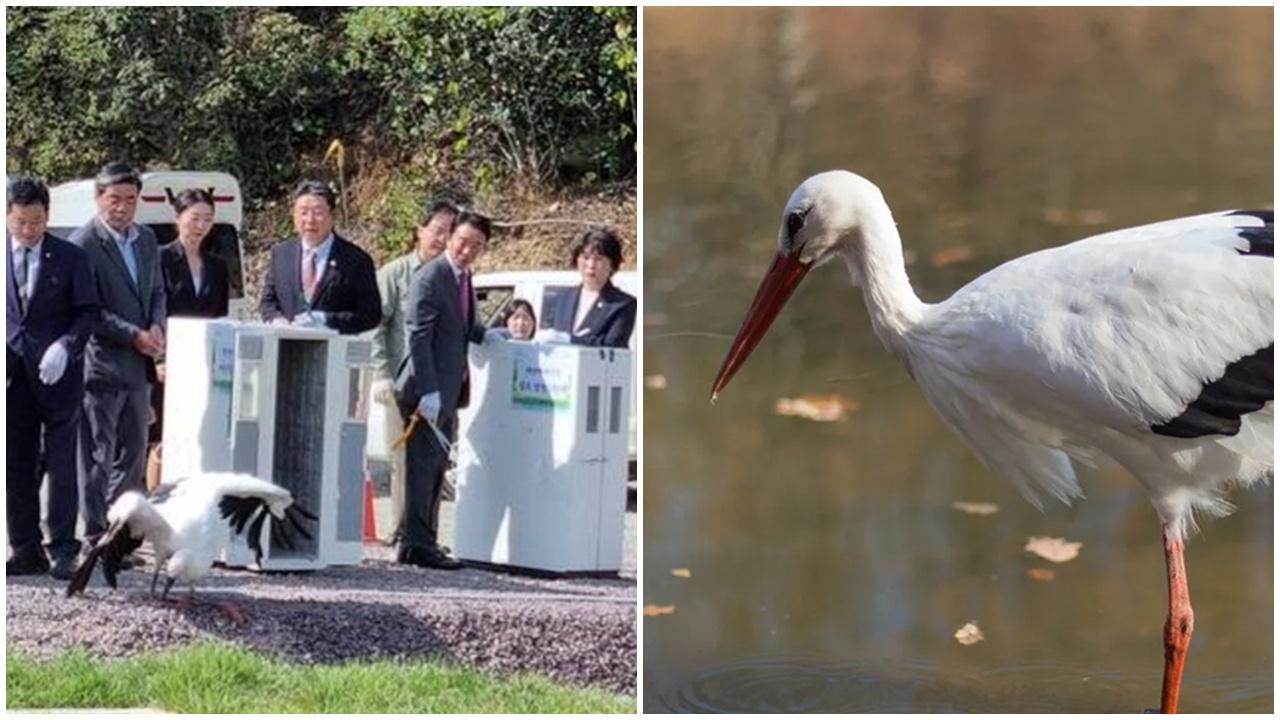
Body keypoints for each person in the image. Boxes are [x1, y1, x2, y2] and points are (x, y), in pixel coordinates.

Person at [69, 162, 167, 544]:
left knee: (134, 451)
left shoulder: (144, 240)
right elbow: (89, 310)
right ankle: (95, 532)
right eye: (114, 199)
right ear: (98, 198)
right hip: (101, 364)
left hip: (139, 364)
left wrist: (158, 325)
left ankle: (119, 525)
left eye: (130, 199)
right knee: (96, 453)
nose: (123, 207)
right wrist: (133, 335)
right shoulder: (84, 243)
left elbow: (157, 290)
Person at [6, 178, 99, 579]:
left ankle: (63, 548)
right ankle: (25, 548)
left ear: (48, 216)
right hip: (12, 377)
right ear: (8, 216)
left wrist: (66, 346)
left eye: (37, 221)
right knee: (16, 464)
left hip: (58, 374)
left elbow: (89, 312)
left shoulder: (70, 257)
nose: (29, 230)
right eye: (21, 222)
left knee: (62, 463)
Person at [393, 209, 494, 569]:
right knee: (424, 467)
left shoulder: (462, 276)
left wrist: (493, 335)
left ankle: (414, 541)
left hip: (449, 387)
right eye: (463, 242)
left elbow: (463, 326)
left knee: (434, 466)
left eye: (476, 246)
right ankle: (420, 545)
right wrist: (429, 390)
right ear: (450, 237)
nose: (467, 251)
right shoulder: (431, 275)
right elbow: (417, 335)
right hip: (425, 389)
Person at [366, 198, 459, 542]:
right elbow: (376, 323)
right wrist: (381, 371)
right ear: (419, 231)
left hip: (439, 381)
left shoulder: (453, 277)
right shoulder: (395, 273)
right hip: (401, 380)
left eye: (449, 233)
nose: (441, 239)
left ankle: (426, 532)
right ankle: (401, 529)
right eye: (436, 231)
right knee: (403, 458)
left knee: (435, 457)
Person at [149, 188, 231, 483]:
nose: (200, 226)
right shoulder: (158, 259)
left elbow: (220, 319)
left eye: (207, 219)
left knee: (197, 435)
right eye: (194, 218)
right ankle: (155, 501)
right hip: (166, 364)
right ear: (177, 218)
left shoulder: (217, 266)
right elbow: (151, 312)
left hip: (204, 364)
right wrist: (157, 359)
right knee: (162, 436)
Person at [259, 180, 380, 335]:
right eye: (303, 212)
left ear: (332, 215)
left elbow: (371, 315)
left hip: (335, 351)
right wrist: (277, 320)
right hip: (285, 348)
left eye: (318, 212)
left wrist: (326, 319)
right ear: (294, 215)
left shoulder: (356, 260)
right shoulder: (281, 254)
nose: (310, 220)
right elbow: (267, 302)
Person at [544, 228, 636, 348]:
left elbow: (612, 345)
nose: (591, 265)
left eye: (599, 259)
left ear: (612, 265)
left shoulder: (622, 304)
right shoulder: (563, 297)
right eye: (585, 257)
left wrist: (569, 339)